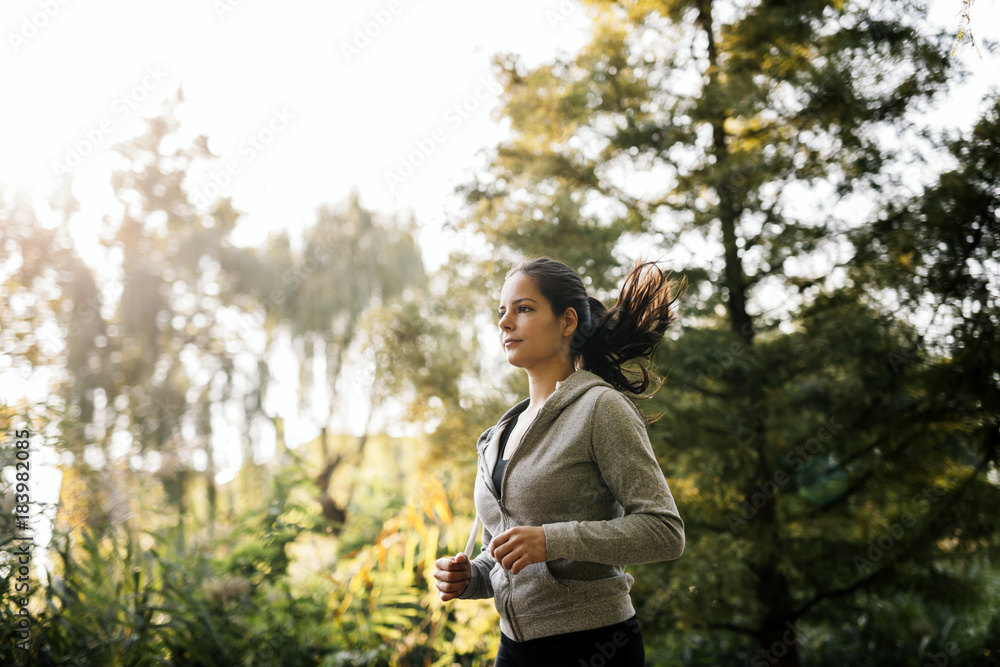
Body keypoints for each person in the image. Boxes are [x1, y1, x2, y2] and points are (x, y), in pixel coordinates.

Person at [433, 256, 686, 666]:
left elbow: (665, 531)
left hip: (593, 644)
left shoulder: (601, 409)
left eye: (524, 308)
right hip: (514, 648)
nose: (505, 323)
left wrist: (552, 540)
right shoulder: (499, 434)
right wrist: (471, 577)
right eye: (502, 312)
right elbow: (500, 551)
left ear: (568, 322)